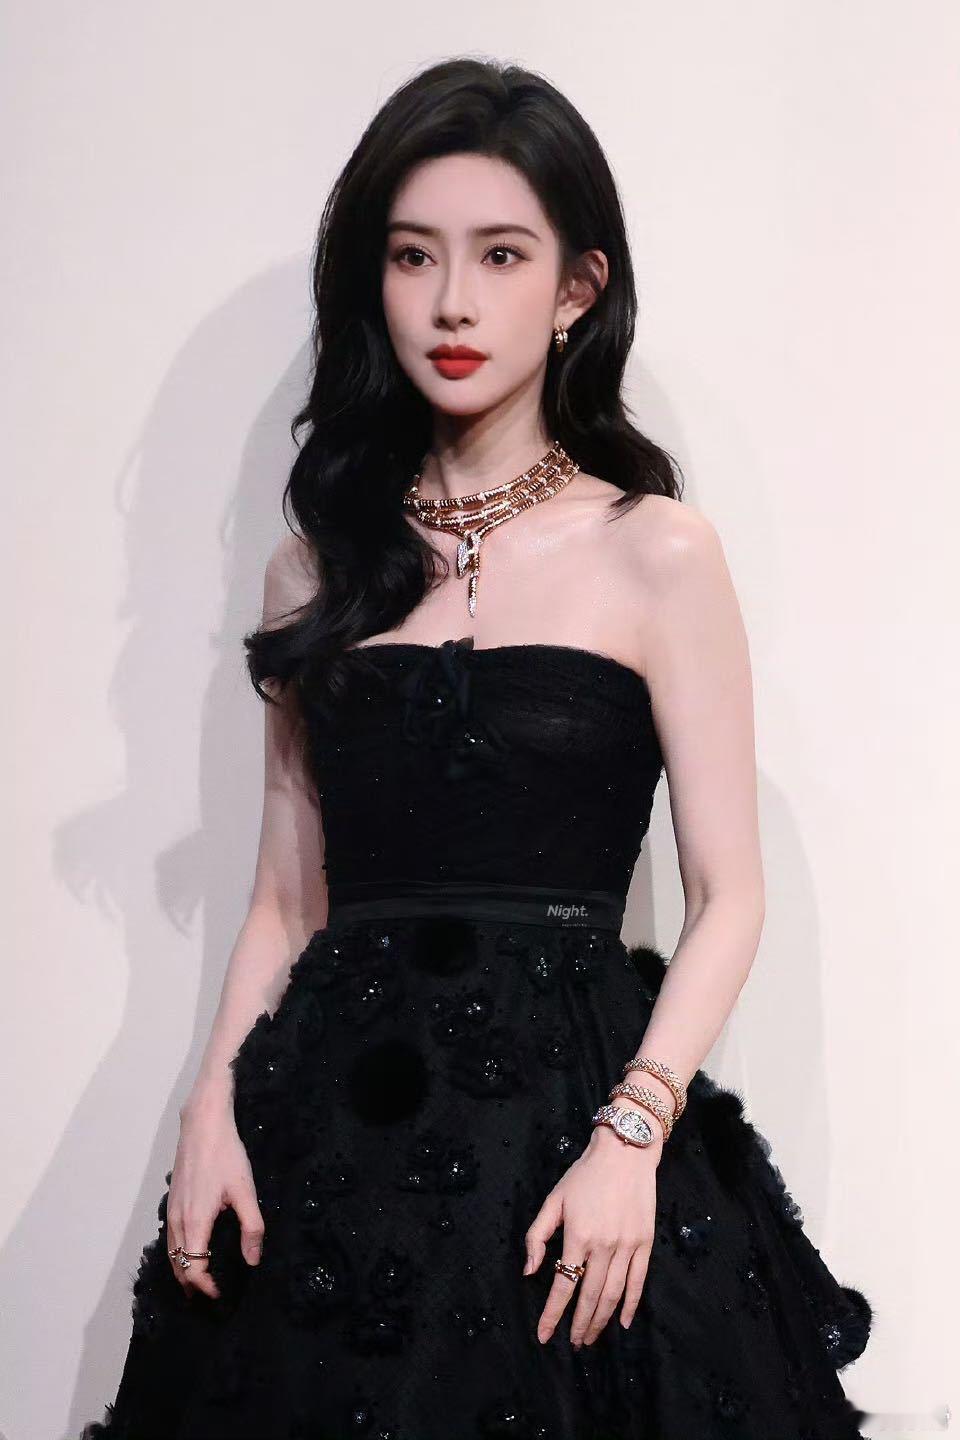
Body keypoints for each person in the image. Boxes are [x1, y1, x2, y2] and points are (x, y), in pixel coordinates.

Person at [81, 55, 873, 1440]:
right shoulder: (315, 567)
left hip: (573, 1119)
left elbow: (729, 895)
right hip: (332, 1127)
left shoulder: (657, 551)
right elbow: (283, 900)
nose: (451, 301)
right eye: (413, 256)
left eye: (501, 255)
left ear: (577, 289)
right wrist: (209, 1112)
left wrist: (632, 1137)